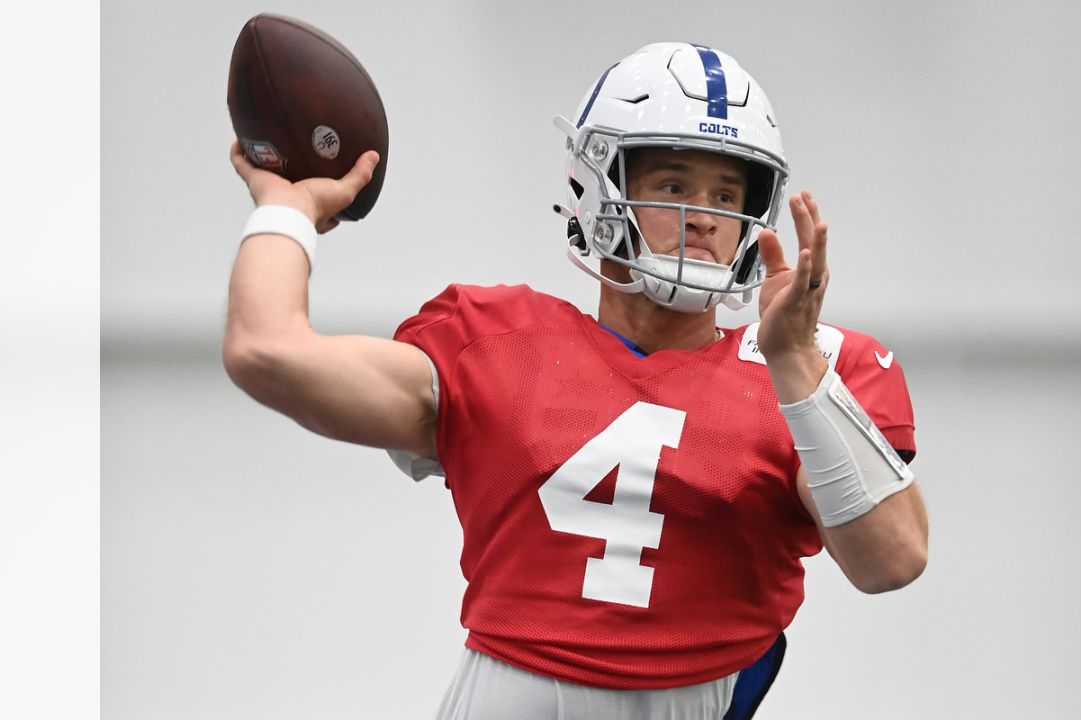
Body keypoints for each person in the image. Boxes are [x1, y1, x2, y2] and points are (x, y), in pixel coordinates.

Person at [224, 42, 929, 720]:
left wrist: (798, 365)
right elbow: (266, 350)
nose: (703, 218)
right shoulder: (496, 343)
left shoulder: (809, 371)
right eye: (674, 185)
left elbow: (892, 560)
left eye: (725, 194)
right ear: (599, 188)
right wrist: (288, 207)